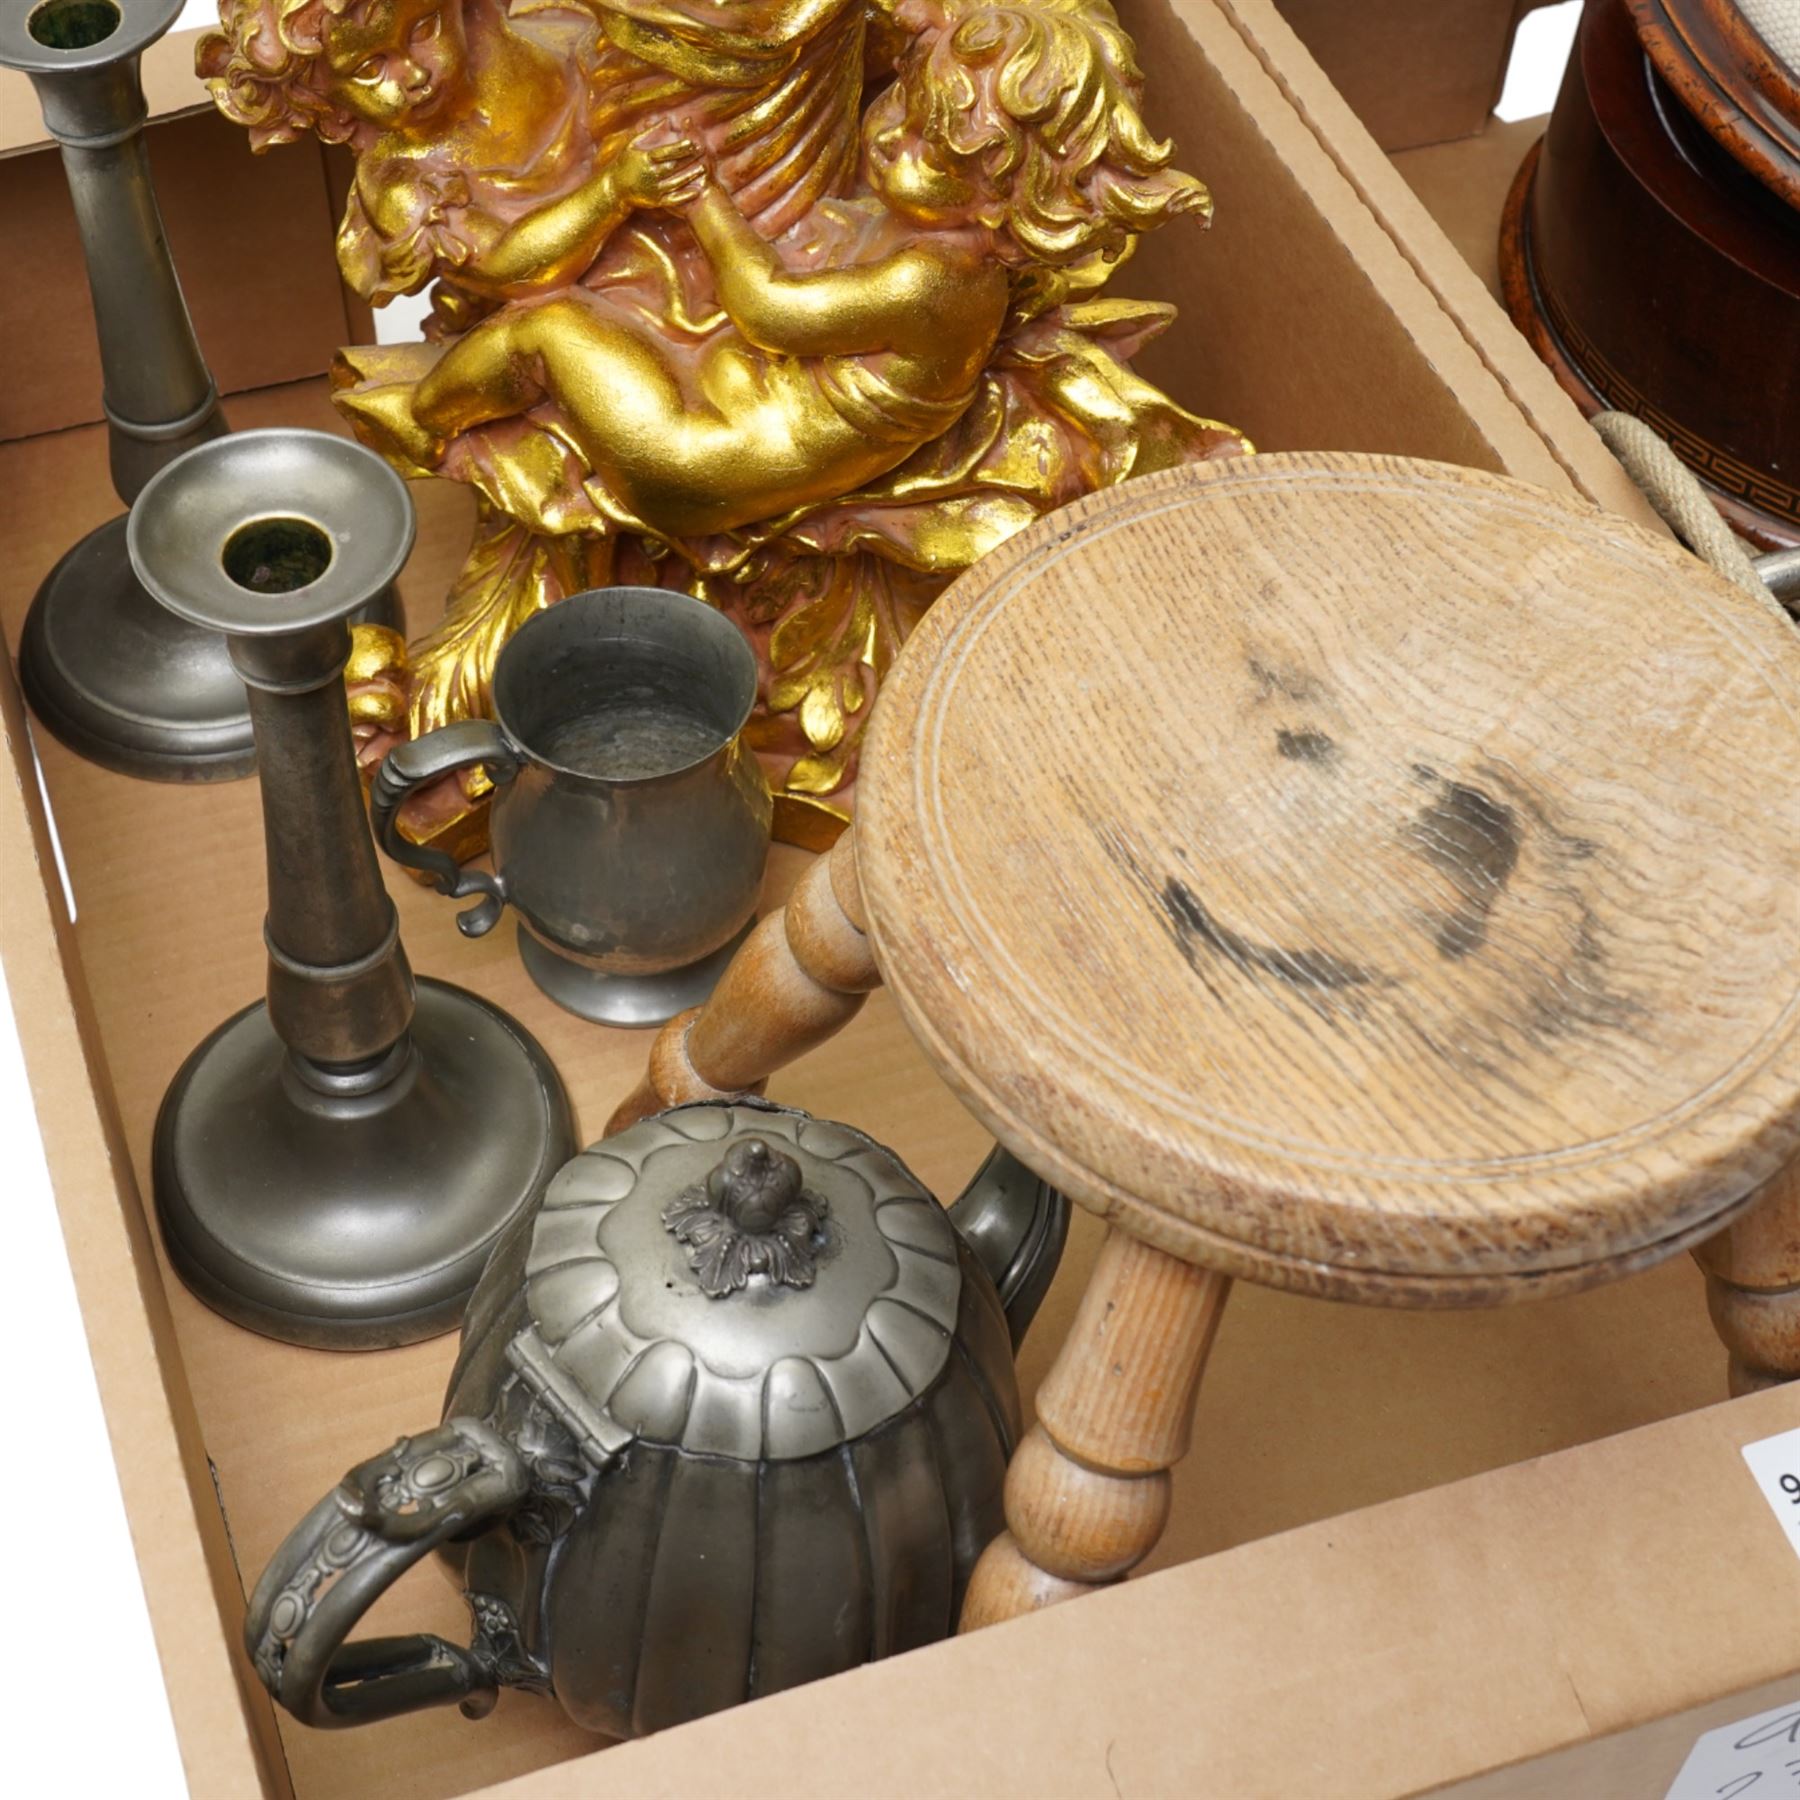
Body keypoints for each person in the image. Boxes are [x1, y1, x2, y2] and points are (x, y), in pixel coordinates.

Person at [348, 0, 1212, 543]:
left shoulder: (935, 284)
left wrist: (704, 201)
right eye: (902, 105)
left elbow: (768, 307)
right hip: (730, 407)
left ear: (1009, 198)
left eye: (928, 151)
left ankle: (426, 417)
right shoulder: (938, 234)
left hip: (693, 463)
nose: (889, 139)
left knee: (546, 328)